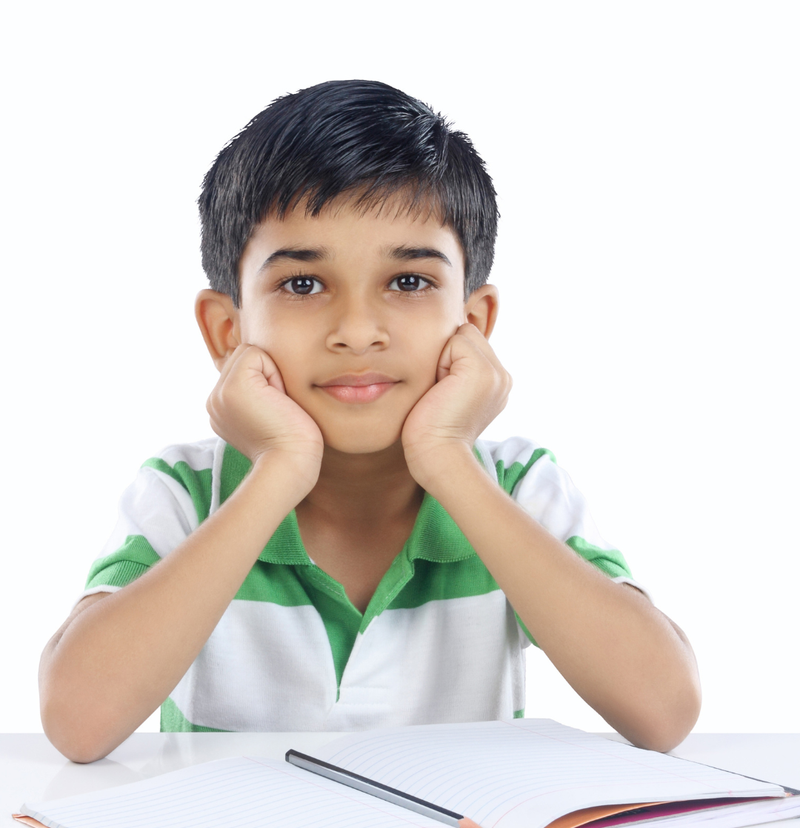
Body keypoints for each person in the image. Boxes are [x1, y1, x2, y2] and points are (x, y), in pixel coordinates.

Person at [39, 80, 700, 763]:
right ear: (228, 331)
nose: (357, 332)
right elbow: (79, 723)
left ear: (473, 324)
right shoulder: (183, 493)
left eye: (408, 281)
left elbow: (664, 710)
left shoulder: (516, 485)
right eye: (303, 284)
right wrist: (279, 471)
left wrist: (447, 459)